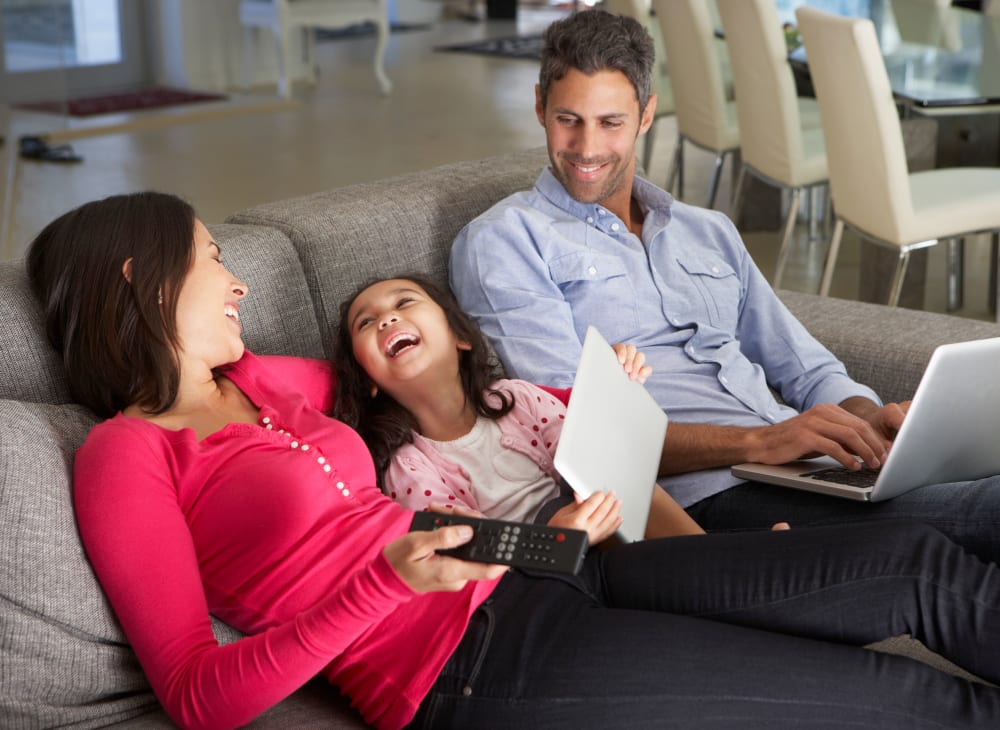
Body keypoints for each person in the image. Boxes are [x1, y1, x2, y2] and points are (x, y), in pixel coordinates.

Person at [28, 193, 1000, 730]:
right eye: (209, 258)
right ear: (137, 277)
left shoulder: (261, 382)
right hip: (466, 664)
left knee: (911, 565)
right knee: (904, 700)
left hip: (553, 563)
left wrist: (596, 397)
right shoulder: (125, 455)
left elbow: (432, 369)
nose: (238, 282)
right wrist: (380, 583)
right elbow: (199, 696)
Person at [448, 8, 1000, 565]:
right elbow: (578, 434)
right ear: (540, 104)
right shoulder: (505, 241)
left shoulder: (705, 229)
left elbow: (807, 369)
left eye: (610, 122)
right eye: (569, 119)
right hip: (707, 499)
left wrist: (868, 421)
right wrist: (761, 444)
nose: (587, 147)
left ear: (646, 115)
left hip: (809, 471)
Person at [333, 273, 704, 543]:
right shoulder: (409, 466)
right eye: (365, 322)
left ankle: (708, 553)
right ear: (369, 379)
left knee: (617, 485)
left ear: (460, 337)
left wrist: (611, 391)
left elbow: (589, 457)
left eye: (404, 302)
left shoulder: (518, 398)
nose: (387, 319)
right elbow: (467, 548)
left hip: (596, 516)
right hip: (540, 569)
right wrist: (556, 538)